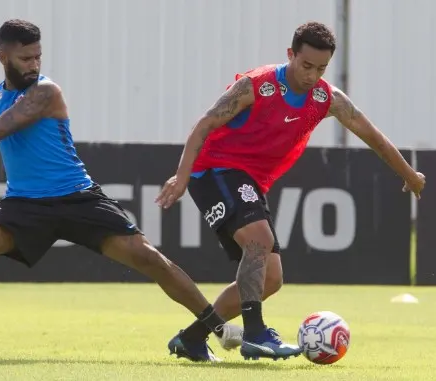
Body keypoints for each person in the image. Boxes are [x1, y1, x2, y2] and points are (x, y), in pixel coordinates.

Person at [0, 19, 242, 361]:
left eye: (38, 56)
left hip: (77, 197)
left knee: (148, 258)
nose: (33, 64)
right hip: (25, 205)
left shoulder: (46, 91)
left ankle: (217, 328)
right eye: (25, 57)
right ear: (3, 56)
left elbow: (0, 128)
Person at [156, 21, 426, 362]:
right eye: (306, 65)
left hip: (251, 181)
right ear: (291, 55)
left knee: (270, 278)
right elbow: (206, 122)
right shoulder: (256, 85)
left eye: (321, 68)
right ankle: (255, 333)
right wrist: (181, 177)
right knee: (259, 238)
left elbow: (371, 135)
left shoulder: (326, 98)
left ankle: (192, 339)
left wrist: (410, 175)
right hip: (215, 169)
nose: (312, 75)